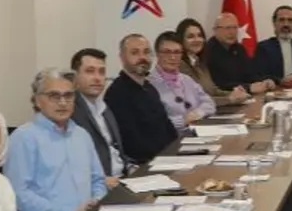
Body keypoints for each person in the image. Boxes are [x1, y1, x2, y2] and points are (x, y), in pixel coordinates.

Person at [4, 67, 108, 211]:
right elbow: (18, 194)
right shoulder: (23, 138)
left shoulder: (82, 135)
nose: (63, 102)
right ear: (37, 101)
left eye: (68, 95)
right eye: (54, 96)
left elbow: (98, 180)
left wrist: (96, 201)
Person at [104, 33, 178, 163]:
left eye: (146, 52)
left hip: (167, 158)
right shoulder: (117, 93)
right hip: (144, 163)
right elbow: (133, 144)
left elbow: (167, 127)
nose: (142, 57)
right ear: (122, 57)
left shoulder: (150, 88)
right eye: (135, 53)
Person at [70, 47, 127, 186]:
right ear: (75, 77)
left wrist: (130, 167)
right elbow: (70, 163)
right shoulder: (70, 111)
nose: (97, 78)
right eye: (90, 71)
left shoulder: (104, 108)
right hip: (100, 185)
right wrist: (101, 181)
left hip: (122, 178)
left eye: (101, 72)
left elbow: (115, 150)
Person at [149, 31, 216, 132]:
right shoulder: (149, 85)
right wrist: (183, 120)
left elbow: (210, 103)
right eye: (167, 52)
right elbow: (155, 123)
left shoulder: (187, 80)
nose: (172, 57)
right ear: (157, 54)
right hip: (172, 138)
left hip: (198, 132)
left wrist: (198, 113)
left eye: (177, 52)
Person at [207, 13, 276, 94]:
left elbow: (250, 74)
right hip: (223, 98)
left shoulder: (239, 48)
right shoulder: (207, 51)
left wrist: (265, 81)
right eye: (228, 28)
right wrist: (248, 87)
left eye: (235, 28)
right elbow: (219, 84)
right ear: (215, 30)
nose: (232, 32)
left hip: (243, 96)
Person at [176, 17, 226, 98]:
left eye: (199, 35)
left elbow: (213, 90)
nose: (197, 40)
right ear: (181, 40)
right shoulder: (180, 65)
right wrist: (230, 99)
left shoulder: (200, 62)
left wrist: (234, 94)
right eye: (190, 36)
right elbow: (197, 99)